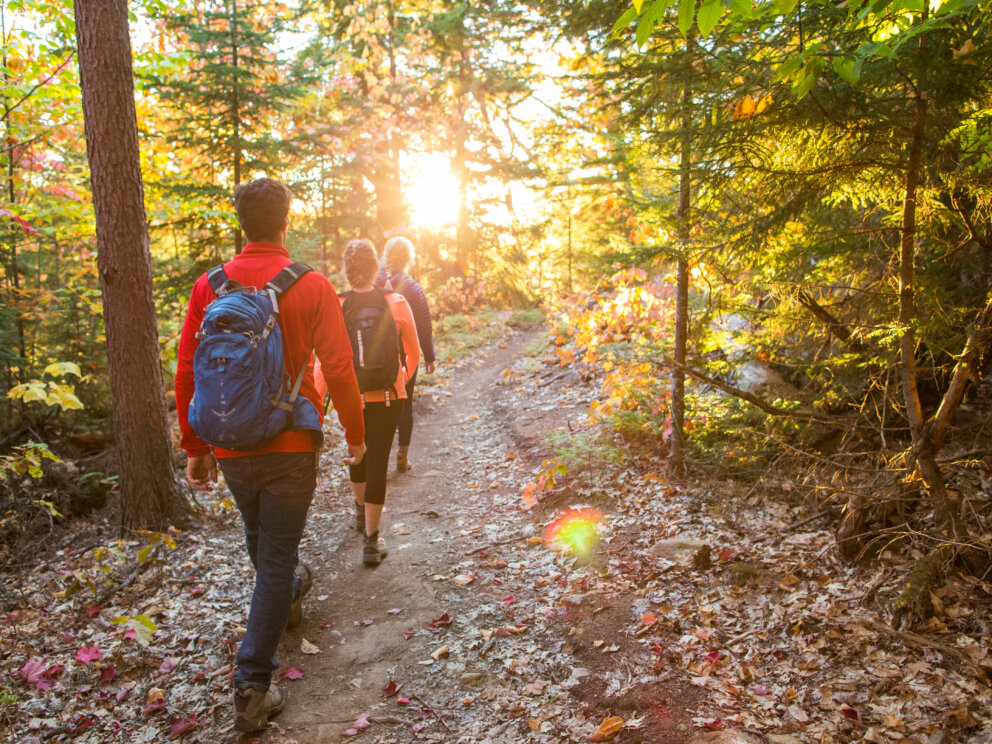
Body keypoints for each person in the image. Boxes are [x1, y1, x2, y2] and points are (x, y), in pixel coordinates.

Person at [175, 178, 366, 733]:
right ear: (286, 221)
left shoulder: (207, 287)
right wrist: (356, 436)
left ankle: (288, 593)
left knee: (263, 543)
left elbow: (188, 369)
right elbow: (339, 366)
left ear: (242, 224)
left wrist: (196, 449)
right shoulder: (311, 285)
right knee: (275, 556)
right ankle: (252, 685)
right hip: (290, 446)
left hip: (231, 447)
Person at [341, 238, 420, 566]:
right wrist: (399, 379)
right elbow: (413, 353)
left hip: (351, 399)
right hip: (388, 398)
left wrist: (323, 401)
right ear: (377, 268)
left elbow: (325, 361)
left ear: (347, 272)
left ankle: (361, 514)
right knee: (377, 464)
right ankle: (371, 542)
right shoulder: (396, 301)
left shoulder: (337, 305)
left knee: (357, 457)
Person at [377, 236, 436, 472]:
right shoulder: (412, 288)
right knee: (404, 404)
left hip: (372, 357)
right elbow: (423, 325)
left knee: (375, 406)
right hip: (404, 358)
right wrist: (429, 356)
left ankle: (375, 456)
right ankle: (402, 455)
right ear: (408, 257)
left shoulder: (371, 283)